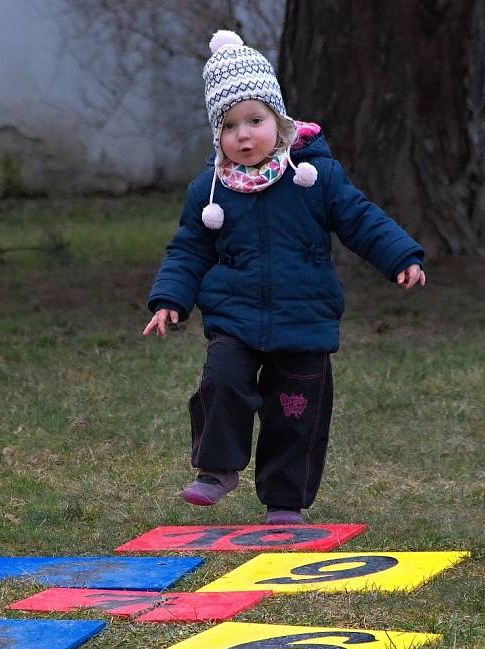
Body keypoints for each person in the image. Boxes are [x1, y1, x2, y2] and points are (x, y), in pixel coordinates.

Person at [143, 30, 425, 525]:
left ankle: (285, 501)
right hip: (234, 315)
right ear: (217, 135)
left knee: (296, 412)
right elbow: (188, 247)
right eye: (230, 126)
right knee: (223, 381)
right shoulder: (210, 190)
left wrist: (400, 255)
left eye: (255, 121)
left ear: (280, 121)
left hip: (304, 317)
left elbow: (361, 219)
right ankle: (217, 469)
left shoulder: (316, 177)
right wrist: (170, 297)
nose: (244, 135)